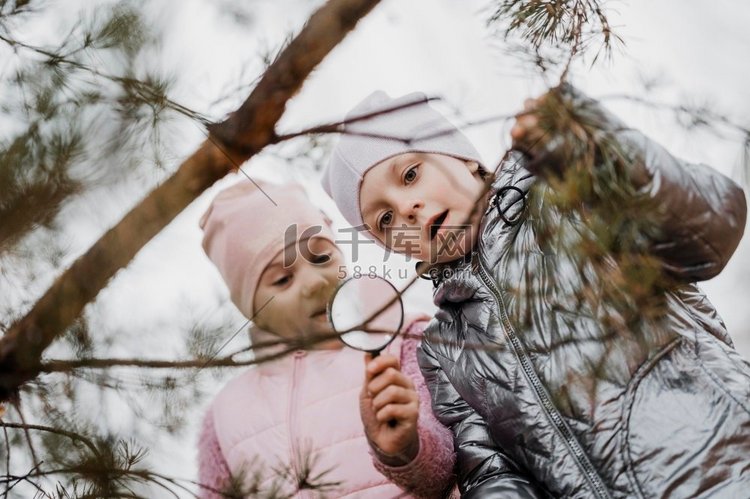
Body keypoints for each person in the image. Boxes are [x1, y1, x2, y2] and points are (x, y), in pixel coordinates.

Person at [321, 85, 750, 498]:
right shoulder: (441, 351)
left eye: (411, 174)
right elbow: (490, 471)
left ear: (462, 157)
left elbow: (711, 231)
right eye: (384, 221)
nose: (406, 210)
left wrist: (597, 144)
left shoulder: (567, 199)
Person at [195, 179, 456, 498]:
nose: (315, 282)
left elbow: (454, 471)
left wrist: (407, 449)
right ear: (251, 308)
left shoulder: (404, 342)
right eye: (282, 279)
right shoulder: (225, 415)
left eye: (321, 258)